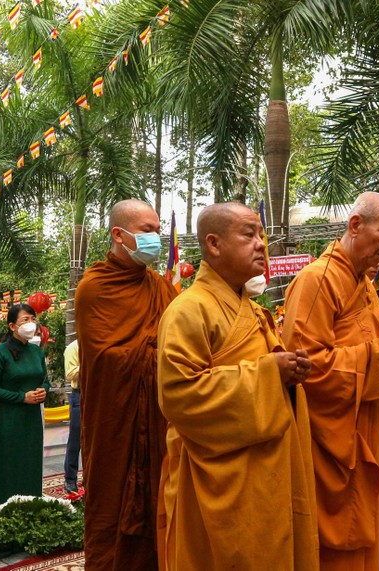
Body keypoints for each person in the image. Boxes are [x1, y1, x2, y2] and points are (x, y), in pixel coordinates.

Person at [157, 202, 319, 570]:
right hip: (215, 479)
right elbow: (179, 395)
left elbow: (264, 371)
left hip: (266, 472)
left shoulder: (255, 310)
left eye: (261, 235)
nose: (261, 243)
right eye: (249, 234)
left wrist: (288, 373)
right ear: (214, 244)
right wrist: (269, 373)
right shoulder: (188, 310)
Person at [282, 191, 379, 570]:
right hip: (337, 441)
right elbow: (303, 366)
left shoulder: (364, 285)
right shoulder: (317, 280)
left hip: (372, 428)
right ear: (355, 225)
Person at [74, 199, 178, 570]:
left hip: (159, 420)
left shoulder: (159, 286)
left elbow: (183, 339)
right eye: (147, 231)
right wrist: (159, 354)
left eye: (157, 230)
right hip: (114, 422)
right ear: (119, 235)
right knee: (113, 507)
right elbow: (107, 359)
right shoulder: (94, 288)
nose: (156, 238)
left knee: (162, 507)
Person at [0, 304, 50, 508]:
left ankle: (30, 508)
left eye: (33, 319)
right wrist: (21, 397)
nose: (31, 324)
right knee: (9, 466)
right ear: (12, 326)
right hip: (9, 418)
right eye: (25, 320)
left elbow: (44, 380)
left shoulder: (36, 351)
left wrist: (43, 390)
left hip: (32, 418)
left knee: (30, 464)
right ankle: (4, 510)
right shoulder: (0, 352)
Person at [62, 338, 83, 499]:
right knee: (75, 439)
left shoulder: (100, 345)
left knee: (97, 440)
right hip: (79, 395)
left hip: (99, 394)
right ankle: (70, 479)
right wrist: (90, 362)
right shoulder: (73, 347)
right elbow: (70, 373)